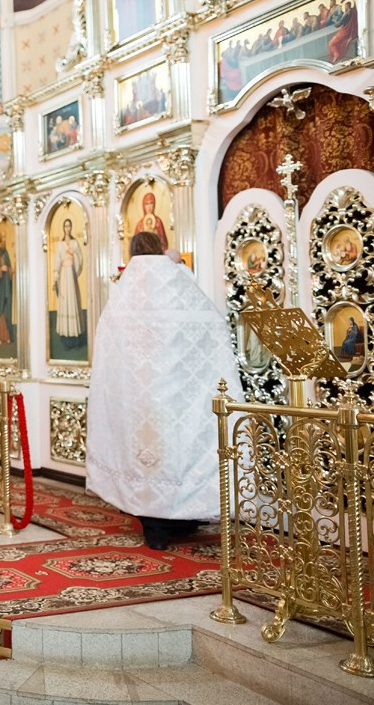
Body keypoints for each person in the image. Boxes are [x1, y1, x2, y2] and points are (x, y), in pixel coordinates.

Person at [86, 231, 242, 551]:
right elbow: (210, 324)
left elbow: (108, 343)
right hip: (173, 396)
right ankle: (177, 518)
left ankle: (155, 528)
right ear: (160, 249)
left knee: (140, 457)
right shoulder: (175, 282)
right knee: (175, 455)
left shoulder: (123, 290)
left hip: (135, 397)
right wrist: (180, 266)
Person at [51, 218, 86, 347]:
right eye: (65, 226)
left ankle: (75, 338)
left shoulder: (74, 243)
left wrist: (73, 254)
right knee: (65, 303)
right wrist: (55, 279)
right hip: (64, 277)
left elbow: (80, 259)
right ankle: (66, 339)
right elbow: (57, 262)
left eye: (69, 226)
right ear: (63, 228)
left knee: (73, 302)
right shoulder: (60, 245)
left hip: (71, 276)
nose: (67, 228)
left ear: (71, 227)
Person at [0, 234, 14, 344]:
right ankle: (1, 337)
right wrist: (0, 269)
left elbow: (9, 267)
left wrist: (10, 269)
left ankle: (8, 336)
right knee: (0, 308)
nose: (4, 240)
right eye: (3, 238)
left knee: (7, 308)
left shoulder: (6, 253)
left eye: (6, 238)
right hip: (0, 286)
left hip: (7, 284)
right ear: (0, 240)